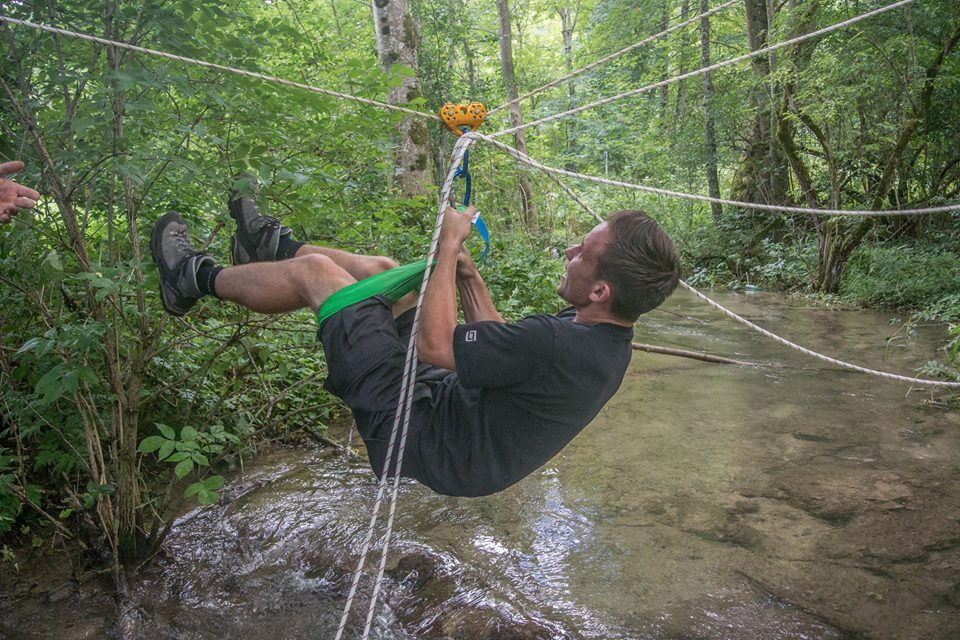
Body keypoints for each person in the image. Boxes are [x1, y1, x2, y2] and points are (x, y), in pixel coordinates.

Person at [151, 193, 680, 497]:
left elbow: (437, 347)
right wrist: (466, 278)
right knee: (390, 275)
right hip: (451, 421)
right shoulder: (607, 334)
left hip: (419, 432)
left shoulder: (558, 342)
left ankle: (190, 278)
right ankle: (270, 247)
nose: (568, 251)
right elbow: (496, 342)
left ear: (600, 289)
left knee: (318, 276)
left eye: (580, 254)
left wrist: (449, 243)